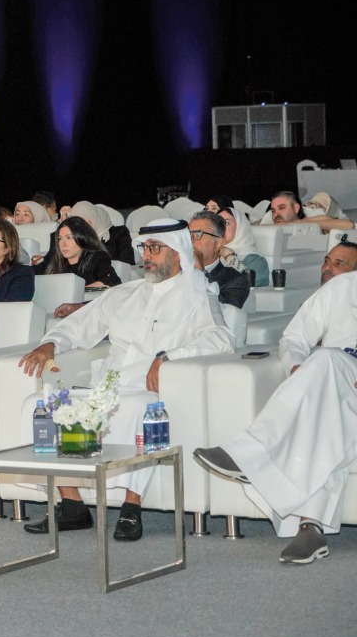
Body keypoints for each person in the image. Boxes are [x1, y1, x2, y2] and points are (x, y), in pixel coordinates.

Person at [17, 219, 233, 540]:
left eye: (155, 249)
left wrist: (168, 358)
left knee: (136, 407)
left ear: (177, 253)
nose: (147, 255)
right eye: (144, 248)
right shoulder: (123, 294)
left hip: (154, 390)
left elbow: (220, 340)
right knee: (39, 405)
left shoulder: (199, 296)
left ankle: (131, 509)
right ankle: (72, 505)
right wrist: (51, 343)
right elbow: (78, 326)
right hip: (107, 384)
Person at [193, 268, 357, 564]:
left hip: (338, 374)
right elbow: (294, 336)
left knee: (325, 361)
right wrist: (297, 368)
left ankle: (251, 453)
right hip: (333, 385)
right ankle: (310, 526)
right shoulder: (342, 287)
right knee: (323, 400)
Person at [189, 211, 249, 310]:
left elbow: (223, 315)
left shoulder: (235, 280)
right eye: (188, 235)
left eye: (197, 234)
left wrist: (200, 273)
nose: (190, 240)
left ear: (218, 243)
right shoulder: (176, 271)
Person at [44, 216, 122, 289]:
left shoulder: (97, 258)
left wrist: (77, 292)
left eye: (69, 238)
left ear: (82, 238)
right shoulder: (57, 261)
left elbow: (111, 281)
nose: (63, 244)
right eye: (60, 238)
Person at [217, 201, 269, 286]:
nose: (221, 227)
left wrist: (230, 256)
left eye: (226, 223)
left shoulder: (255, 260)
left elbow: (250, 283)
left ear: (240, 227)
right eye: (218, 223)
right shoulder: (211, 254)